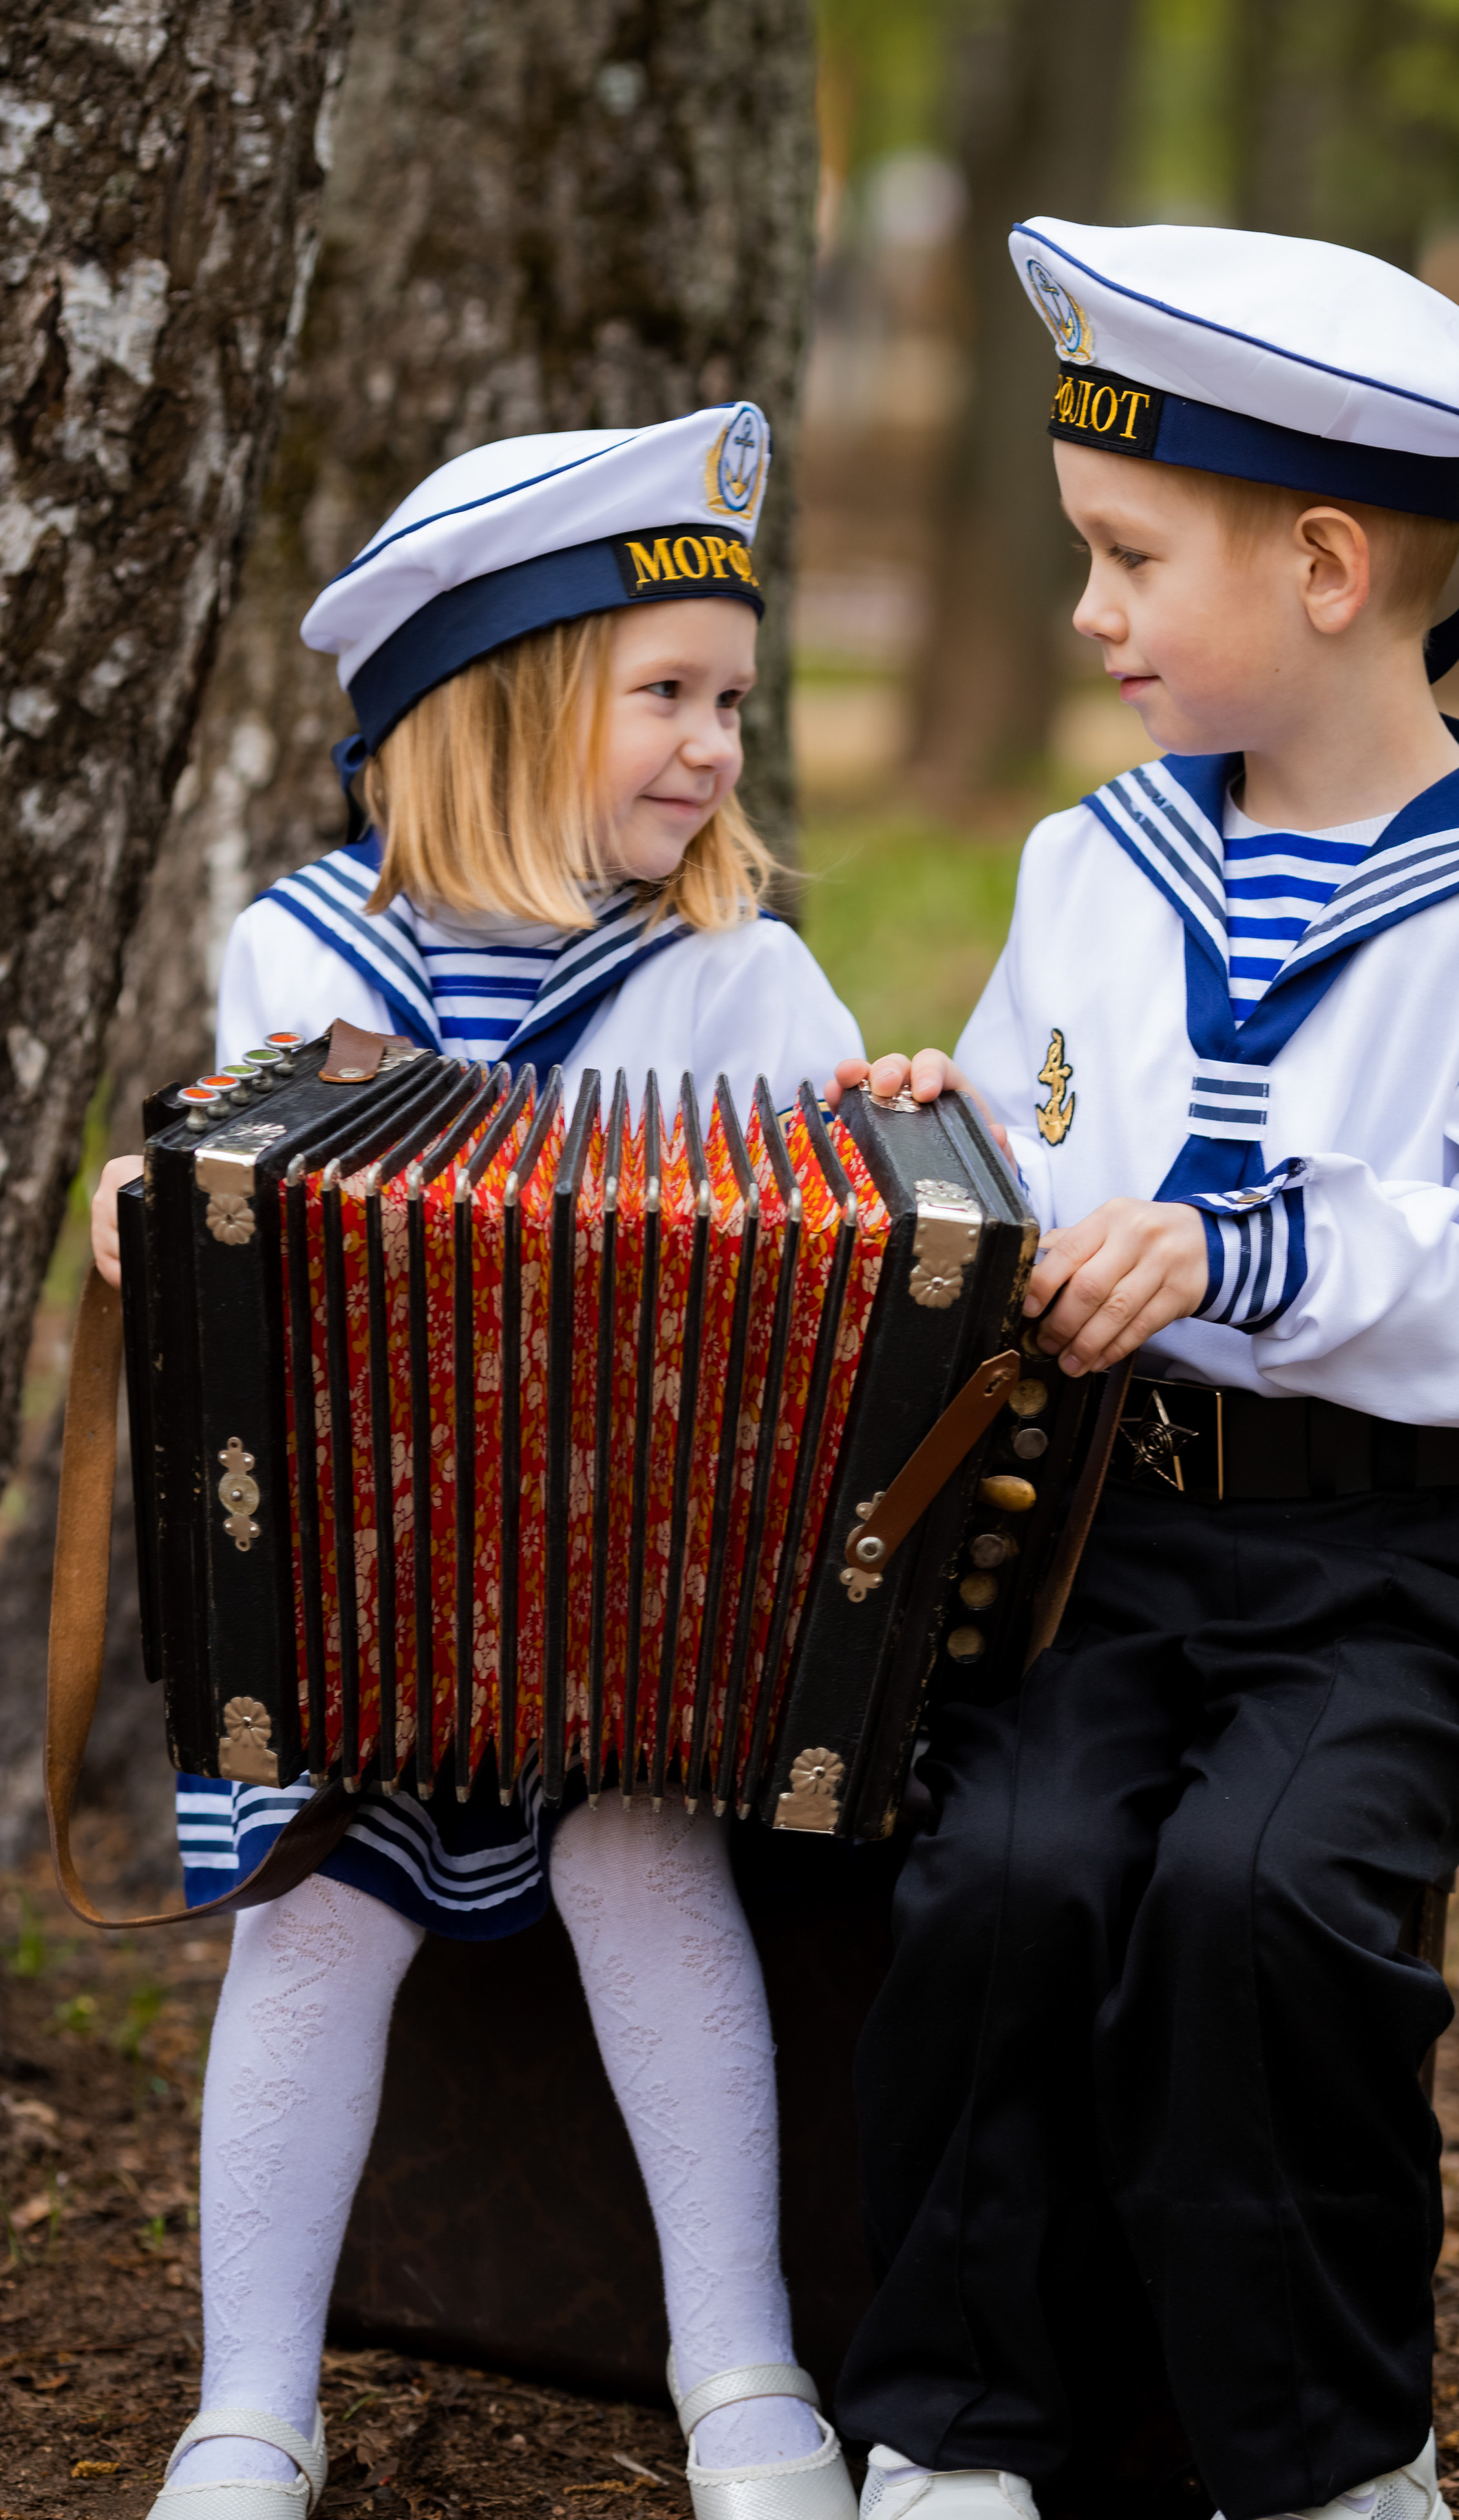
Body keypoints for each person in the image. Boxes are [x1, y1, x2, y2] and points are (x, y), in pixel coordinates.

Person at [823, 221, 1459, 2520]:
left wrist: (1249, 1246)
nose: (1089, 612)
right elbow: (1049, 1149)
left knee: (1261, 1895)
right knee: (1003, 1874)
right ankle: (952, 2426)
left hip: (1389, 1564)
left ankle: (1324, 2458)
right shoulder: (1095, 866)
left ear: (1326, 569)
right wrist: (948, 1151)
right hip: (1105, 1537)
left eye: (1128, 560)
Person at [92, 407, 864, 2520]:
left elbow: (853, 1261)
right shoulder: (308, 955)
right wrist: (159, 1197)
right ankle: (250, 2403)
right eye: (667, 694)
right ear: (501, 707)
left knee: (645, 1866)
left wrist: (903, 1140)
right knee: (311, 1928)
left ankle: (741, 2371)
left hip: (639, 1605)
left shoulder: (742, 977)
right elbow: (252, 1202)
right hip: (368, 1589)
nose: (715, 747)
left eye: (735, 703)